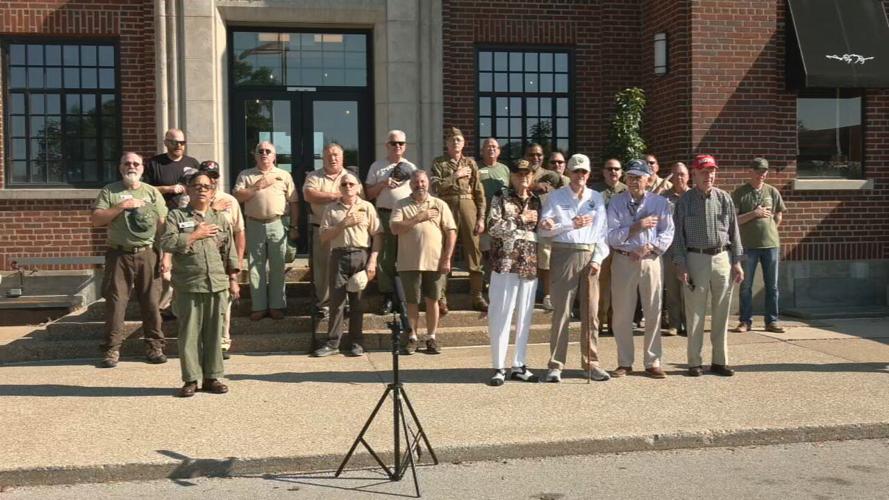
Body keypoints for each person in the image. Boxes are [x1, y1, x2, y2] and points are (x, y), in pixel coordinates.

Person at [160, 172, 240, 397]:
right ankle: (191, 379)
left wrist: (233, 280)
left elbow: (229, 252)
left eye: (207, 186)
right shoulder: (176, 216)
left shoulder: (220, 218)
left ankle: (213, 377)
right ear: (188, 189)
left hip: (216, 283)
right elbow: (166, 241)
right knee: (189, 334)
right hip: (189, 283)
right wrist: (195, 234)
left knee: (214, 334)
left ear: (213, 191)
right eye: (197, 186)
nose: (202, 189)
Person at [91, 152, 168, 368]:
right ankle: (112, 349)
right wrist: (121, 207)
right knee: (116, 303)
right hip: (119, 254)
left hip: (148, 252)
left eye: (136, 164)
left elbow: (163, 224)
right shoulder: (110, 191)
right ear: (120, 167)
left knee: (152, 302)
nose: (131, 167)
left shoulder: (152, 193)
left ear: (143, 168)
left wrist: (166, 254)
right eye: (127, 163)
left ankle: (154, 346)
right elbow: (96, 220)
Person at [539, 154, 611, 383]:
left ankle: (591, 363)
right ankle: (555, 364)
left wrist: (598, 259)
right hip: (564, 253)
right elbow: (544, 230)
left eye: (584, 172)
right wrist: (569, 224)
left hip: (590, 254)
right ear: (568, 173)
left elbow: (602, 233)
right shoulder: (556, 197)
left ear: (589, 174)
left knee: (591, 313)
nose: (580, 175)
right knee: (562, 312)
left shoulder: (596, 198)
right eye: (576, 171)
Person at [673, 154, 744, 377]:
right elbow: (678, 237)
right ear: (693, 174)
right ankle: (694, 362)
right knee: (695, 313)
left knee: (722, 311)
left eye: (712, 171)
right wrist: (680, 264)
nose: (709, 175)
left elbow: (734, 231)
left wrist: (737, 262)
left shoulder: (724, 198)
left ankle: (719, 361)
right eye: (704, 172)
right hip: (696, 258)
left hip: (722, 257)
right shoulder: (684, 202)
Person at [606, 159, 674, 379]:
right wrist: (636, 227)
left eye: (639, 177)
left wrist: (649, 247)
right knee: (622, 313)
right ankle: (624, 362)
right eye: (631, 177)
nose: (635, 181)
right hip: (624, 259)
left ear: (648, 179)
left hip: (650, 261)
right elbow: (611, 236)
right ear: (625, 179)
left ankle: (653, 361)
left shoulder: (659, 203)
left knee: (653, 311)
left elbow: (668, 232)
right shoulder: (616, 203)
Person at [312, 172, 382, 357]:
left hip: (361, 255)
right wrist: (343, 224)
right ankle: (333, 342)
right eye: (344, 185)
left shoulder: (367, 208)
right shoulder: (331, 209)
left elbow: (377, 236)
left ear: (358, 187)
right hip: (338, 255)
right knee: (336, 301)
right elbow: (323, 237)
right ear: (339, 188)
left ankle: (357, 342)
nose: (348, 187)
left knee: (358, 301)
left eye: (351, 184)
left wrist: (372, 262)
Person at [486, 159, 541, 386]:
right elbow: (493, 227)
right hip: (505, 263)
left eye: (527, 174)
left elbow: (540, 229)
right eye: (519, 174)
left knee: (524, 317)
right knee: (501, 315)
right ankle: (499, 366)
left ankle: (519, 364)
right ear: (512, 177)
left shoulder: (536, 200)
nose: (523, 178)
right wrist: (520, 219)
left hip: (528, 264)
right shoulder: (501, 196)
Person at [390, 170, 457, 355]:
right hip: (408, 262)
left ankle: (431, 337)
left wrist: (447, 258)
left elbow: (451, 231)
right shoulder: (401, 204)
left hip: (435, 262)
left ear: (427, 183)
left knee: (433, 301)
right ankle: (412, 337)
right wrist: (419, 218)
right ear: (410, 185)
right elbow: (395, 228)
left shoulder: (439, 204)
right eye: (416, 182)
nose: (420, 185)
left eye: (422, 181)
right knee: (412, 302)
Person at [232, 141, 299, 321]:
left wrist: (294, 226)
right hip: (253, 224)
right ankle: (259, 306)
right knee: (255, 267)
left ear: (274, 156)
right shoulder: (246, 175)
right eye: (260, 151)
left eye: (268, 151)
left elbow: (293, 202)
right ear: (255, 155)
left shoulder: (284, 175)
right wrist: (256, 186)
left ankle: (277, 305)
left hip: (277, 224)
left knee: (278, 266)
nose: (264, 154)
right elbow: (237, 197)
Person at [144, 128, 200, 318]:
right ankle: (162, 306)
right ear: (166, 142)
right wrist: (168, 189)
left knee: (183, 259)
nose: (179, 146)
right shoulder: (154, 163)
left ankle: (178, 303)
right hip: (163, 219)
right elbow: (145, 190)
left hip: (186, 219)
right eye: (175, 142)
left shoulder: (192, 163)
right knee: (164, 264)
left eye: (182, 143)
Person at [430, 127, 487, 312]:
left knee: (474, 250)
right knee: (446, 251)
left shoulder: (470, 163)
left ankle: (477, 295)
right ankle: (441, 297)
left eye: (459, 140)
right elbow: (437, 187)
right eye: (452, 140)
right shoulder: (439, 163)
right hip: (447, 207)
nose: (455, 143)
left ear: (464, 143)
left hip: (468, 204)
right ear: (446, 144)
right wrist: (455, 175)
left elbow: (479, 191)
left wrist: (481, 218)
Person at [303, 143, 361, 318]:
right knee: (322, 268)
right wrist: (338, 196)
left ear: (342, 157)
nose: (332, 158)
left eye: (336, 155)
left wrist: (325, 197)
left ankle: (348, 303)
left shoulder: (351, 177)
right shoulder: (314, 176)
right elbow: (309, 195)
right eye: (329, 155)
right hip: (323, 229)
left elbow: (359, 199)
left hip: (348, 231)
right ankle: (325, 304)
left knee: (348, 267)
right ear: (323, 157)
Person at [364, 130, 417, 315]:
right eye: (393, 143)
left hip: (406, 217)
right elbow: (368, 194)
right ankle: (388, 295)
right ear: (386, 145)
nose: (397, 146)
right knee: (385, 257)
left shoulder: (411, 167)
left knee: (405, 255)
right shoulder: (377, 166)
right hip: (385, 215)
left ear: (405, 146)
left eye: (401, 143)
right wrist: (383, 184)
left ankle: (405, 295)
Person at [732, 157, 787, 334]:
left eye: (764, 171)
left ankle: (772, 321)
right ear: (750, 172)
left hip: (771, 245)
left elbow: (779, 214)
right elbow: (733, 221)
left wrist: (771, 229)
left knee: (772, 285)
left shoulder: (772, 192)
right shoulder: (740, 193)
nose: (761, 175)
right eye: (758, 171)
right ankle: (745, 321)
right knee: (746, 285)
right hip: (748, 246)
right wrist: (754, 214)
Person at [197, 161, 245, 359]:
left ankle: (222, 342)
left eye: (215, 175)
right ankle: (201, 342)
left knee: (224, 302)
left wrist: (238, 261)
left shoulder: (230, 201)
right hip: (198, 260)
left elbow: (239, 232)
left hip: (222, 259)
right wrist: (213, 209)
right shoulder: (191, 200)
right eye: (209, 175)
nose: (213, 179)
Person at [528, 144, 568, 311]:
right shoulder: (530, 176)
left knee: (553, 260)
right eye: (531, 155)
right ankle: (539, 295)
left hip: (556, 226)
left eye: (560, 162)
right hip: (535, 224)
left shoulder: (559, 178)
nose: (535, 157)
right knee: (537, 260)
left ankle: (553, 294)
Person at [590, 158, 627, 334]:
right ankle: (598, 322)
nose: (613, 172)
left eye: (616, 169)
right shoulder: (595, 192)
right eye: (609, 168)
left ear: (621, 172)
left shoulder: (627, 191)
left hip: (621, 246)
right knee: (600, 285)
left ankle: (614, 323)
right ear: (603, 171)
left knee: (618, 286)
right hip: (601, 245)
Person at [661, 161, 691, 336]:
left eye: (682, 174)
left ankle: (688, 324)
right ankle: (674, 324)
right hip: (670, 249)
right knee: (672, 288)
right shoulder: (664, 197)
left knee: (688, 288)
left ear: (688, 176)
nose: (679, 177)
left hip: (690, 249)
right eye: (676, 174)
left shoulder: (694, 196)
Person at [477, 138, 510, 263]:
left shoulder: (505, 169)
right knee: (485, 254)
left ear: (499, 151)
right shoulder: (476, 168)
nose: (491, 149)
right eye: (488, 146)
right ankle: (485, 282)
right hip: (483, 219)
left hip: (501, 220)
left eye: (494, 147)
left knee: (500, 254)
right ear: (482, 151)